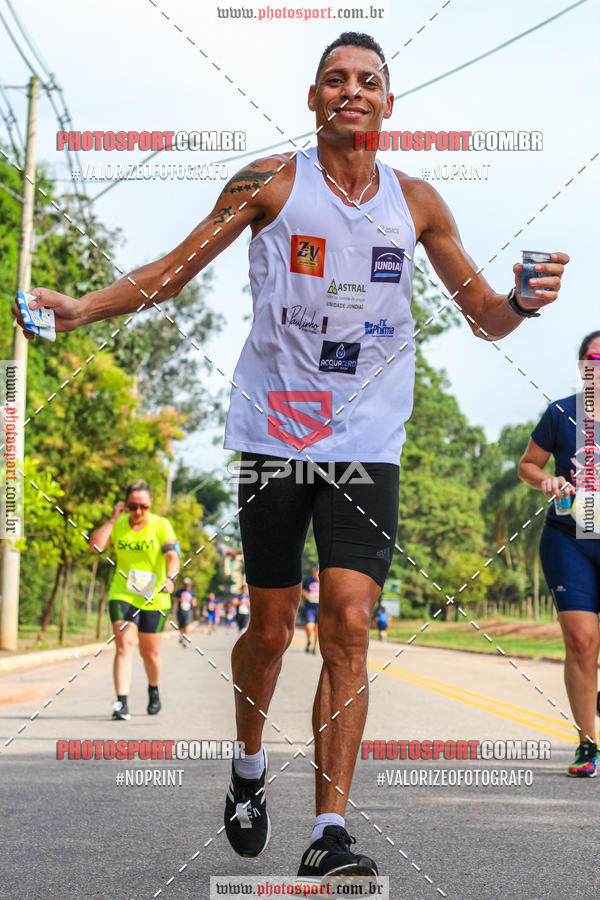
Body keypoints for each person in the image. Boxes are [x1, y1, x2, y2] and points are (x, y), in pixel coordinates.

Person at [15, 31, 569, 881]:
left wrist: (524, 304)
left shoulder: (416, 203)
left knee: (348, 623)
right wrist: (83, 310)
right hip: (274, 438)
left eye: (369, 81)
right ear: (313, 100)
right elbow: (175, 270)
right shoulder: (270, 183)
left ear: (390, 103)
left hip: (368, 447)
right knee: (271, 632)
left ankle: (331, 829)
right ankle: (246, 770)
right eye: (335, 80)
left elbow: (485, 316)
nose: (353, 91)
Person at [518, 331, 600, 777]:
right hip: (570, 538)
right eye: (594, 358)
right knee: (583, 643)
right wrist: (546, 481)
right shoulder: (561, 412)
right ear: (582, 365)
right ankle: (588, 743)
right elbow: (527, 465)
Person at [88, 480, 179, 719]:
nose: (138, 511)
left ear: (150, 505)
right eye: (132, 506)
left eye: (143, 506)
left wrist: (170, 579)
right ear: (125, 505)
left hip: (154, 598)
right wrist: (112, 519)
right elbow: (95, 547)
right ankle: (122, 702)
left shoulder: (161, 526)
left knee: (150, 653)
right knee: (124, 645)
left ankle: (154, 689)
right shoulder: (118, 524)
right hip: (123, 593)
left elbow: (172, 556)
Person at [302, 565, 320, 654]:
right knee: (309, 627)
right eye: (315, 570)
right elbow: (302, 590)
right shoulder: (308, 580)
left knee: (317, 630)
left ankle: (314, 647)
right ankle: (309, 641)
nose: (316, 572)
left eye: (318, 571)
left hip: (320, 608)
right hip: (310, 608)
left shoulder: (323, 580)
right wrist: (306, 595)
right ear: (313, 571)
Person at [173, 576, 197, 646]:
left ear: (190, 584)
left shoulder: (192, 592)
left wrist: (194, 603)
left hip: (188, 611)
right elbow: (174, 599)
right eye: (185, 584)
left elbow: (194, 601)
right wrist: (180, 599)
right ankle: (181, 635)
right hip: (180, 611)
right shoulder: (179, 591)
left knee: (186, 625)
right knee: (181, 625)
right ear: (184, 584)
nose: (186, 585)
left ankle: (185, 640)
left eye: (188, 584)